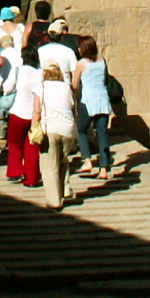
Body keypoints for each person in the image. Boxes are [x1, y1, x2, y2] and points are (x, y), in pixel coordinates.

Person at [31, 61, 78, 209]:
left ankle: (54, 201)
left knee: (49, 166)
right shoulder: (67, 88)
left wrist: (33, 128)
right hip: (68, 129)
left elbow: (37, 111)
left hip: (49, 128)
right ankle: (65, 190)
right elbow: (73, 108)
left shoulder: (41, 87)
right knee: (62, 160)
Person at [73, 34, 115, 179]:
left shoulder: (81, 64)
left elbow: (75, 84)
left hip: (88, 100)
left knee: (81, 130)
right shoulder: (102, 61)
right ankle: (103, 169)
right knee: (102, 134)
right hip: (102, 99)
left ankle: (87, 160)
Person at [5, 46, 43, 188]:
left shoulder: (18, 70)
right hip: (35, 114)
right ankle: (32, 178)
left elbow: (7, 88)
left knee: (15, 144)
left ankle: (16, 171)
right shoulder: (41, 73)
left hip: (19, 112)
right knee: (32, 146)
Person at [0, 31, 19, 144]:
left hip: (2, 86)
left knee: (2, 111)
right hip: (18, 86)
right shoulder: (19, 54)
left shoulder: (1, 55)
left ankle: (2, 135)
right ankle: (13, 135)